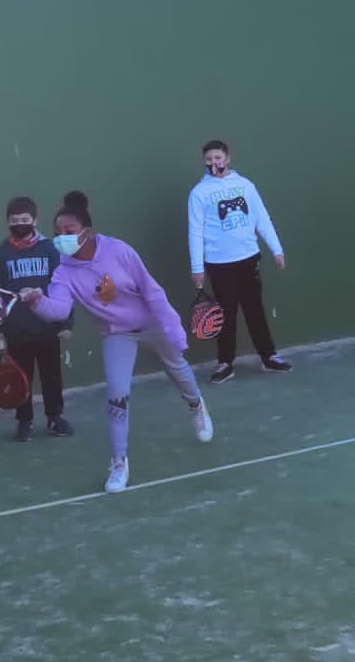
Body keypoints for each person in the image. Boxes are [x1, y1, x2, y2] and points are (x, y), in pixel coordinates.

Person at [20, 192, 212, 494]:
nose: (62, 237)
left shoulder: (119, 251)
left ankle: (196, 405)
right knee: (116, 396)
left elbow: (151, 290)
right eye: (57, 233)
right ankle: (119, 463)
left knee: (177, 368)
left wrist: (173, 328)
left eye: (69, 230)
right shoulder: (63, 272)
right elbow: (58, 310)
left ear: (87, 231)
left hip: (151, 323)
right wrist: (37, 301)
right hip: (116, 334)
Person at [187, 139, 291, 383]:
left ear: (228, 158)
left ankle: (269, 357)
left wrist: (276, 250)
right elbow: (195, 231)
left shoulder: (245, 185)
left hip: (249, 258)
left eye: (218, 157)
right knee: (226, 313)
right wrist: (197, 267)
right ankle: (225, 363)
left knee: (255, 309)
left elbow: (262, 218)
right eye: (209, 159)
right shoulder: (199, 193)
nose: (214, 162)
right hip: (218, 263)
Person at [0, 196, 71, 442]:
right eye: (14, 221)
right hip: (16, 332)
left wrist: (66, 324)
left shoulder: (50, 250)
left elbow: (64, 287)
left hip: (47, 329)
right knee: (20, 380)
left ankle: (55, 418)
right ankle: (25, 422)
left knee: (52, 378)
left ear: (35, 220)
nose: (20, 224)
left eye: (24, 220)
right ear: (7, 223)